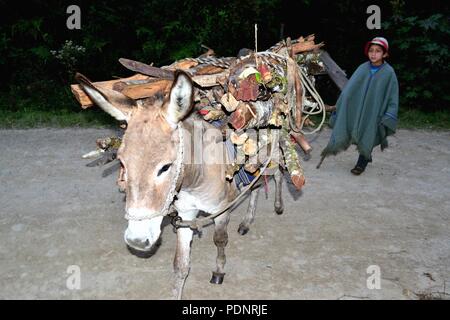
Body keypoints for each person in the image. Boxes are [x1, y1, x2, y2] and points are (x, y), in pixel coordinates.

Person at [320, 37, 399, 175]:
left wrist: (389, 112)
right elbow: (350, 90)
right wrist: (342, 103)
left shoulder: (389, 73)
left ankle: (362, 162)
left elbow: (392, 95)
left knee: (369, 132)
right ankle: (366, 154)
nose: (373, 54)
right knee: (356, 130)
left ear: (385, 54)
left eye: (378, 51)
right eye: (371, 51)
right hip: (357, 109)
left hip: (375, 111)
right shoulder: (363, 68)